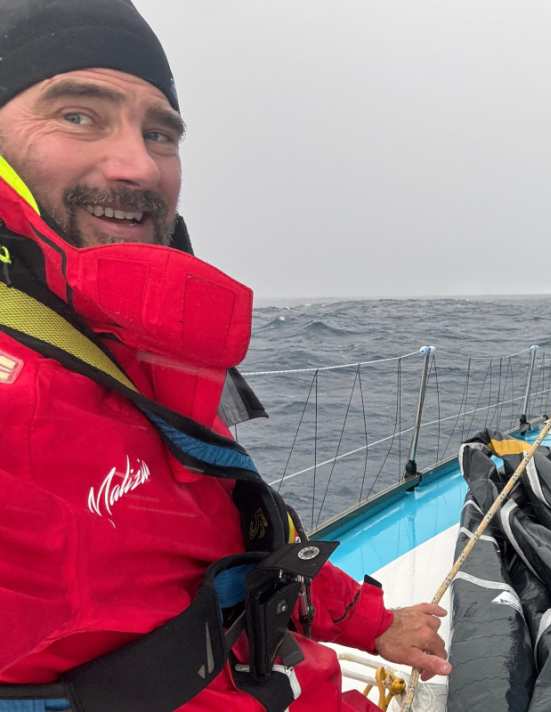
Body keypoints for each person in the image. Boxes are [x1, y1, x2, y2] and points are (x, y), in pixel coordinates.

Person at [0, 1, 449, 710]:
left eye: (159, 133)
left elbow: (234, 539)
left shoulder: (131, 345)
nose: (137, 166)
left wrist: (374, 623)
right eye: (78, 115)